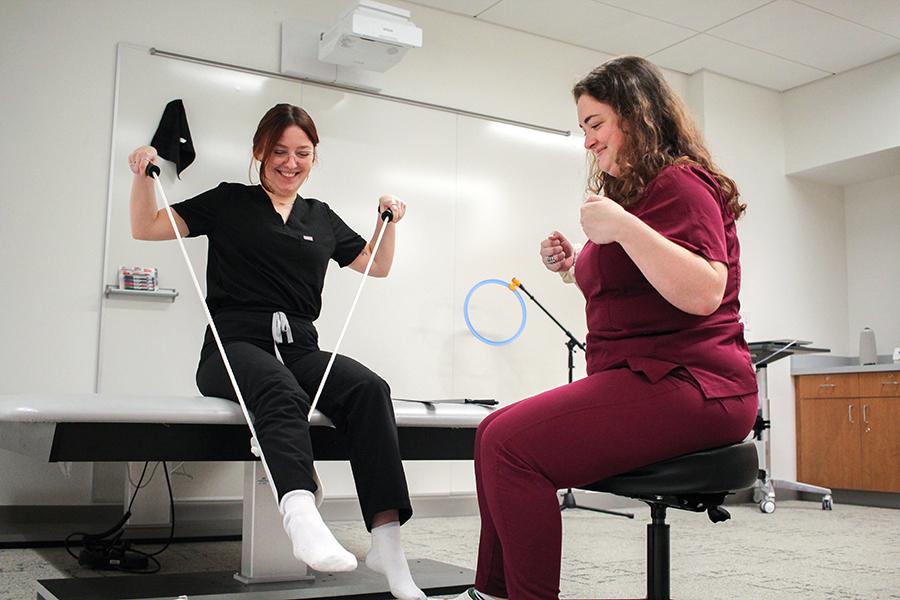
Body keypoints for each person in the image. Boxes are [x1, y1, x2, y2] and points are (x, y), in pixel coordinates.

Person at [457, 56, 759, 600]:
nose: (588, 142)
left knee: (508, 444)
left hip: (698, 384)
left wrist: (622, 226)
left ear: (638, 116)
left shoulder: (681, 183)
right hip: (648, 376)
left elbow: (703, 291)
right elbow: (639, 290)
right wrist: (577, 264)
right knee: (491, 432)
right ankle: (493, 592)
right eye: (584, 129)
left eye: (596, 124)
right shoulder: (635, 195)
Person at [128, 103, 426, 600]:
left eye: (302, 153)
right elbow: (147, 227)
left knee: (371, 389)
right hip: (234, 345)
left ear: (314, 157)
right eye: (280, 152)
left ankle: (387, 541)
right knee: (279, 388)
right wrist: (142, 174)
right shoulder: (228, 202)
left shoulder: (321, 217)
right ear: (259, 153)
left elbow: (376, 265)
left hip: (300, 346)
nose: (291, 163)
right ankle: (301, 514)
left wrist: (389, 220)